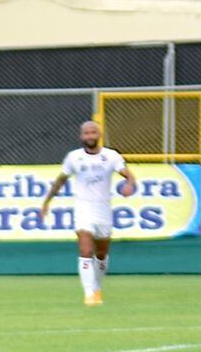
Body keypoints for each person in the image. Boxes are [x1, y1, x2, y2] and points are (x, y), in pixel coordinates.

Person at [40, 120, 137, 306]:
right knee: (86, 250)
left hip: (103, 209)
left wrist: (130, 184)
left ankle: (97, 288)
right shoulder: (74, 157)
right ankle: (89, 294)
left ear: (99, 135)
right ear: (81, 136)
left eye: (93, 132)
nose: (90, 136)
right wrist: (47, 202)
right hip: (83, 207)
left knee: (101, 254)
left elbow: (128, 174)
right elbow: (60, 180)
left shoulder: (111, 156)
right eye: (86, 133)